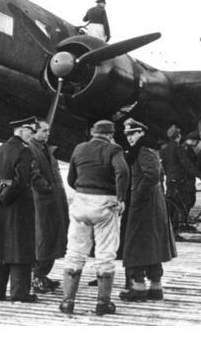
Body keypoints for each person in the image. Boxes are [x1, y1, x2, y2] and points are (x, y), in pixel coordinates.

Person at [59, 120, 129, 316]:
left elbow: (71, 178)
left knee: (74, 251)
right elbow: (122, 171)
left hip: (81, 200)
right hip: (105, 203)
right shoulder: (114, 149)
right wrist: (121, 197)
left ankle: (67, 302)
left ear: (93, 133)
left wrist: (83, 190)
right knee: (105, 253)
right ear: (110, 134)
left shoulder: (79, 148)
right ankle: (103, 303)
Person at [119, 120, 177, 302]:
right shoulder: (148, 149)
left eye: (133, 134)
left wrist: (136, 197)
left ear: (141, 133)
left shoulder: (143, 150)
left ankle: (138, 287)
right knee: (151, 244)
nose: (130, 138)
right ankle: (155, 287)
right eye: (127, 135)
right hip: (152, 204)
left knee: (137, 242)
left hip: (144, 204)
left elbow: (151, 176)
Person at [0, 116, 39, 302]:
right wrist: (5, 197)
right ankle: (20, 293)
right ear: (21, 130)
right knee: (20, 248)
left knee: (0, 248)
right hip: (18, 205)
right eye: (30, 131)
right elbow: (22, 180)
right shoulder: (25, 151)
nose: (32, 135)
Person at [29, 118, 69, 294]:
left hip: (54, 201)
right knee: (43, 239)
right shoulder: (30, 150)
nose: (48, 134)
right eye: (44, 131)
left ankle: (42, 275)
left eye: (48, 131)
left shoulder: (45, 149)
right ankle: (36, 278)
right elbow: (34, 174)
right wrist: (48, 188)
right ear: (34, 131)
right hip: (42, 202)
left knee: (52, 238)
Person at [160, 125, 201, 234]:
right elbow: (187, 164)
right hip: (180, 181)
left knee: (172, 206)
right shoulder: (178, 148)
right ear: (178, 136)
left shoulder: (165, 149)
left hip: (170, 180)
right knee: (181, 205)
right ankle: (176, 231)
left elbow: (164, 164)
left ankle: (174, 229)